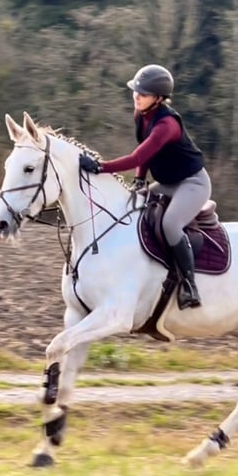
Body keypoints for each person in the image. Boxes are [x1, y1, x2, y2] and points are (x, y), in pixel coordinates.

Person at [78, 64, 211, 310]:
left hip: (193, 184)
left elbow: (137, 156)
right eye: (136, 91)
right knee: (131, 206)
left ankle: (189, 285)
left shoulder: (166, 125)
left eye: (144, 93)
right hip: (169, 183)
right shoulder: (142, 115)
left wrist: (99, 166)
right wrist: (140, 180)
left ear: (158, 98)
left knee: (170, 224)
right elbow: (146, 155)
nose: (137, 96)